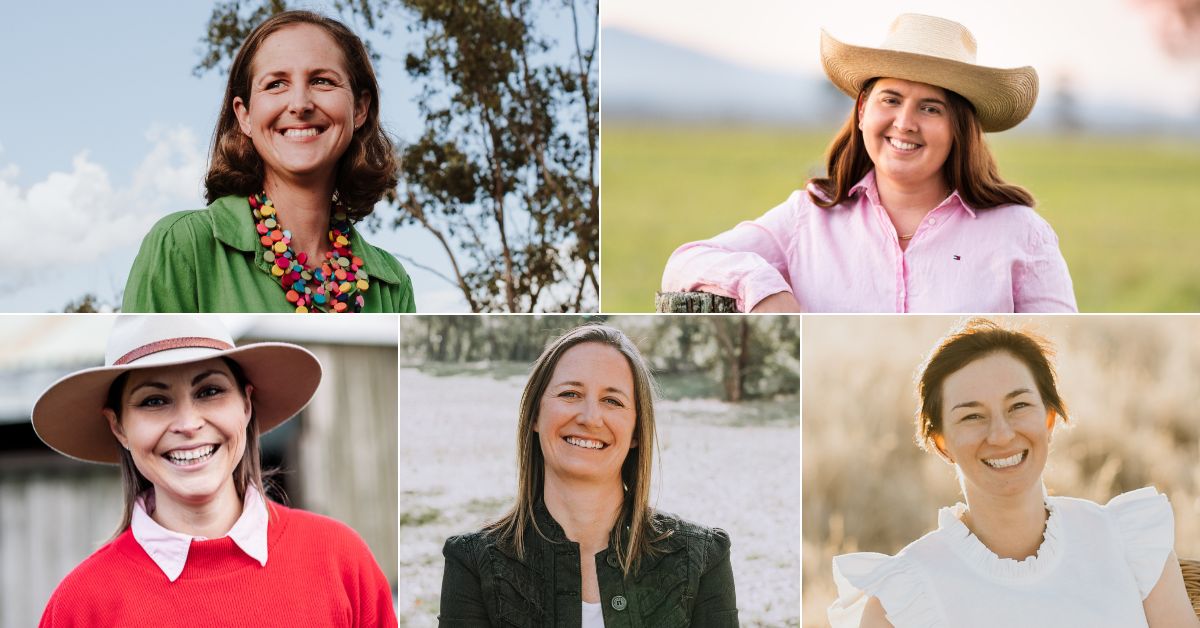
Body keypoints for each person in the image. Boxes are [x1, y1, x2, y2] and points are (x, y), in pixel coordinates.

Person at [661, 14, 1076, 313]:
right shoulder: (807, 217)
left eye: (930, 108)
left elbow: (1056, 349)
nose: (905, 123)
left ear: (958, 129)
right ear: (862, 111)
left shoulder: (1020, 232)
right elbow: (686, 261)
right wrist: (765, 289)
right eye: (890, 100)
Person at [828, 318, 1198, 627]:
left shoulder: (1129, 542)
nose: (1001, 434)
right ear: (941, 442)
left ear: (1049, 419)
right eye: (972, 416)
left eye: (1019, 406)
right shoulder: (903, 598)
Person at [33, 315, 398, 627]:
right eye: (154, 401)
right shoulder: (81, 605)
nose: (189, 424)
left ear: (246, 405)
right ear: (119, 428)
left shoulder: (339, 558)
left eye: (209, 391)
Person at [438, 324, 739, 627]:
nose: (590, 418)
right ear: (534, 416)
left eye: (613, 401)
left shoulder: (701, 558)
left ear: (636, 430)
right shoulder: (473, 563)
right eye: (570, 393)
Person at [123, 10, 415, 313]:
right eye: (276, 84)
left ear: (359, 109)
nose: (300, 104)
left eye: (322, 81)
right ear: (245, 115)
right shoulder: (182, 246)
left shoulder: (391, 286)